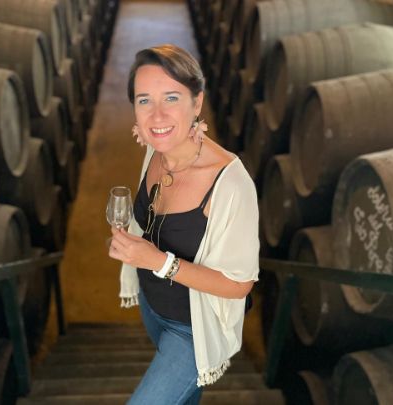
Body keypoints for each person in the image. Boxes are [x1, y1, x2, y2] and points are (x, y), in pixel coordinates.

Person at [108, 44, 259, 404]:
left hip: (192, 329)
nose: (157, 114)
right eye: (144, 100)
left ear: (197, 102)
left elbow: (240, 285)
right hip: (153, 308)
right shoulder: (156, 148)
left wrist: (158, 262)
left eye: (172, 98)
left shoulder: (230, 184)